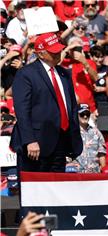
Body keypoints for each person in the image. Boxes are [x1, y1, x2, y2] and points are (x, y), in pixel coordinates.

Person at [10, 32, 83, 172]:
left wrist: (73, 139)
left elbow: (72, 107)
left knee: (56, 189)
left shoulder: (64, 73)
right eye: (53, 51)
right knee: (34, 189)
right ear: (41, 54)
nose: (57, 53)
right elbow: (22, 110)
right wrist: (29, 140)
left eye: (59, 50)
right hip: (36, 144)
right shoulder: (26, 74)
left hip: (61, 142)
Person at [67, 104, 106, 173]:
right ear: (77, 115)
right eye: (82, 114)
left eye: (87, 114)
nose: (85, 116)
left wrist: (104, 170)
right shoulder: (71, 132)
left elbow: (101, 154)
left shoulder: (96, 132)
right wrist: (68, 164)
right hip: (76, 172)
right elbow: (66, 152)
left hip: (94, 172)